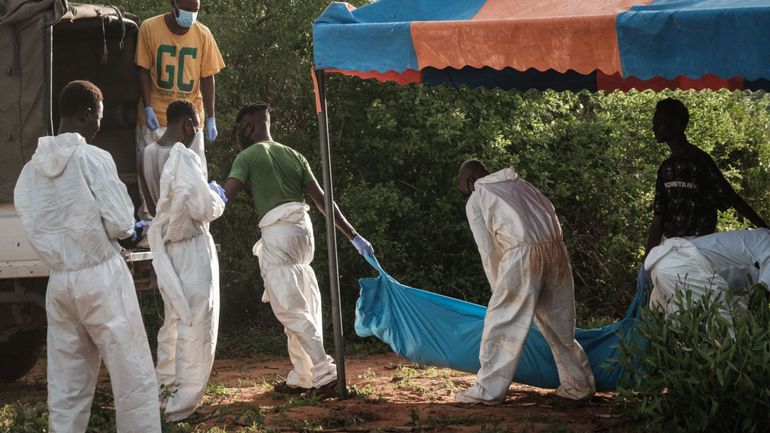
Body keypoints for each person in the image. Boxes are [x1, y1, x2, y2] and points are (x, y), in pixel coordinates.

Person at [14, 80, 161, 433]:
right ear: (87, 113)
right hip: (101, 277)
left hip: (61, 283)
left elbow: (35, 228)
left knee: (67, 384)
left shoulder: (28, 173)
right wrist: (135, 228)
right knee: (133, 375)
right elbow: (122, 223)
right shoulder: (93, 158)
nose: (99, 124)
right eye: (99, 116)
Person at [223, 102, 374, 396]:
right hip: (303, 233)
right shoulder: (294, 155)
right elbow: (324, 202)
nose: (241, 134)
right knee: (301, 300)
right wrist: (354, 236)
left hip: (278, 233)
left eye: (241, 128)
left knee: (290, 307)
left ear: (250, 126)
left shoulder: (248, 155)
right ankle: (303, 376)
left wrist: (201, 201)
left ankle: (325, 373)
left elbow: (225, 195)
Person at [454, 160, 595, 405]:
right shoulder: (524, 185)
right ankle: (579, 385)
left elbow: (488, 251)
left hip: (522, 255)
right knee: (560, 324)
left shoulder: (479, 197)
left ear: (469, 182)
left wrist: (500, 289)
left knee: (501, 323)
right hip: (557, 251)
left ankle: (488, 391)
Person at [141, 100, 225, 421]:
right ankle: (183, 406)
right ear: (189, 122)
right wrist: (218, 197)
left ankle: (164, 394)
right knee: (196, 322)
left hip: (166, 248)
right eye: (197, 127)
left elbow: (152, 207)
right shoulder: (185, 156)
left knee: (173, 322)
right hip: (190, 246)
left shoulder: (146, 154)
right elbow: (203, 208)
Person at [638, 98, 767, 289]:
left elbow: (732, 199)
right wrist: (646, 265)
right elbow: (659, 217)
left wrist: (764, 229)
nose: (654, 126)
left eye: (658, 120)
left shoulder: (700, 161)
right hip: (673, 249)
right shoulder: (665, 169)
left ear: (677, 123)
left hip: (703, 248)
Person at [135, 0, 225, 215]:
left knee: (194, 175)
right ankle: (151, 223)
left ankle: (193, 218)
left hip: (190, 121)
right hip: (155, 116)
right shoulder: (150, 27)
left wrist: (211, 118)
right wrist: (148, 107)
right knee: (151, 173)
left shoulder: (203, 34)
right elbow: (142, 69)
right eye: (187, 10)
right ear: (173, 4)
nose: (191, 15)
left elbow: (208, 77)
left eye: (196, 11)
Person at [645, 229, 770, 321]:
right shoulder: (765, 239)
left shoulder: (757, 238)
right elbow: (760, 293)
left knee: (676, 326)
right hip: (683, 267)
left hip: (668, 265)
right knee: (729, 327)